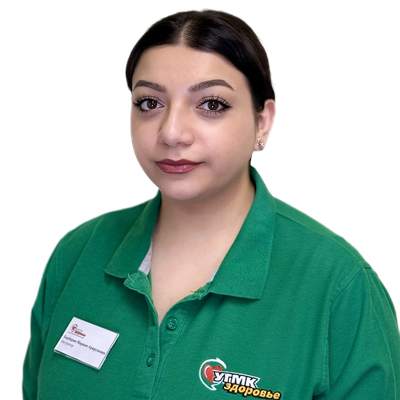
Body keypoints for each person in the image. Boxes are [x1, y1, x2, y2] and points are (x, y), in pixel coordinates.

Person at [22, 8, 399, 400]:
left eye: (212, 104)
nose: (171, 133)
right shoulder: (76, 253)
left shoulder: (339, 286)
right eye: (150, 103)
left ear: (264, 122)